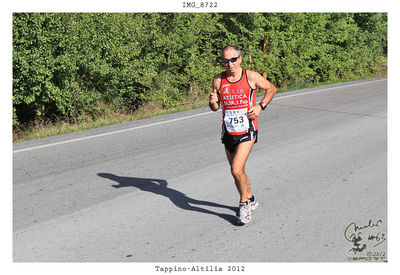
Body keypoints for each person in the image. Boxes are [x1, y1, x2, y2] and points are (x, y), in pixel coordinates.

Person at [209, 45, 277, 224]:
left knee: (236, 169)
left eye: (233, 60)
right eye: (225, 61)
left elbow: (271, 88)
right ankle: (251, 198)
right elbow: (215, 108)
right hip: (228, 131)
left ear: (239, 59)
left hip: (248, 129)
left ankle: (244, 204)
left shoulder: (251, 76)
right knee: (238, 172)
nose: (229, 64)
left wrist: (260, 107)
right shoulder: (218, 80)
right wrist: (212, 103)